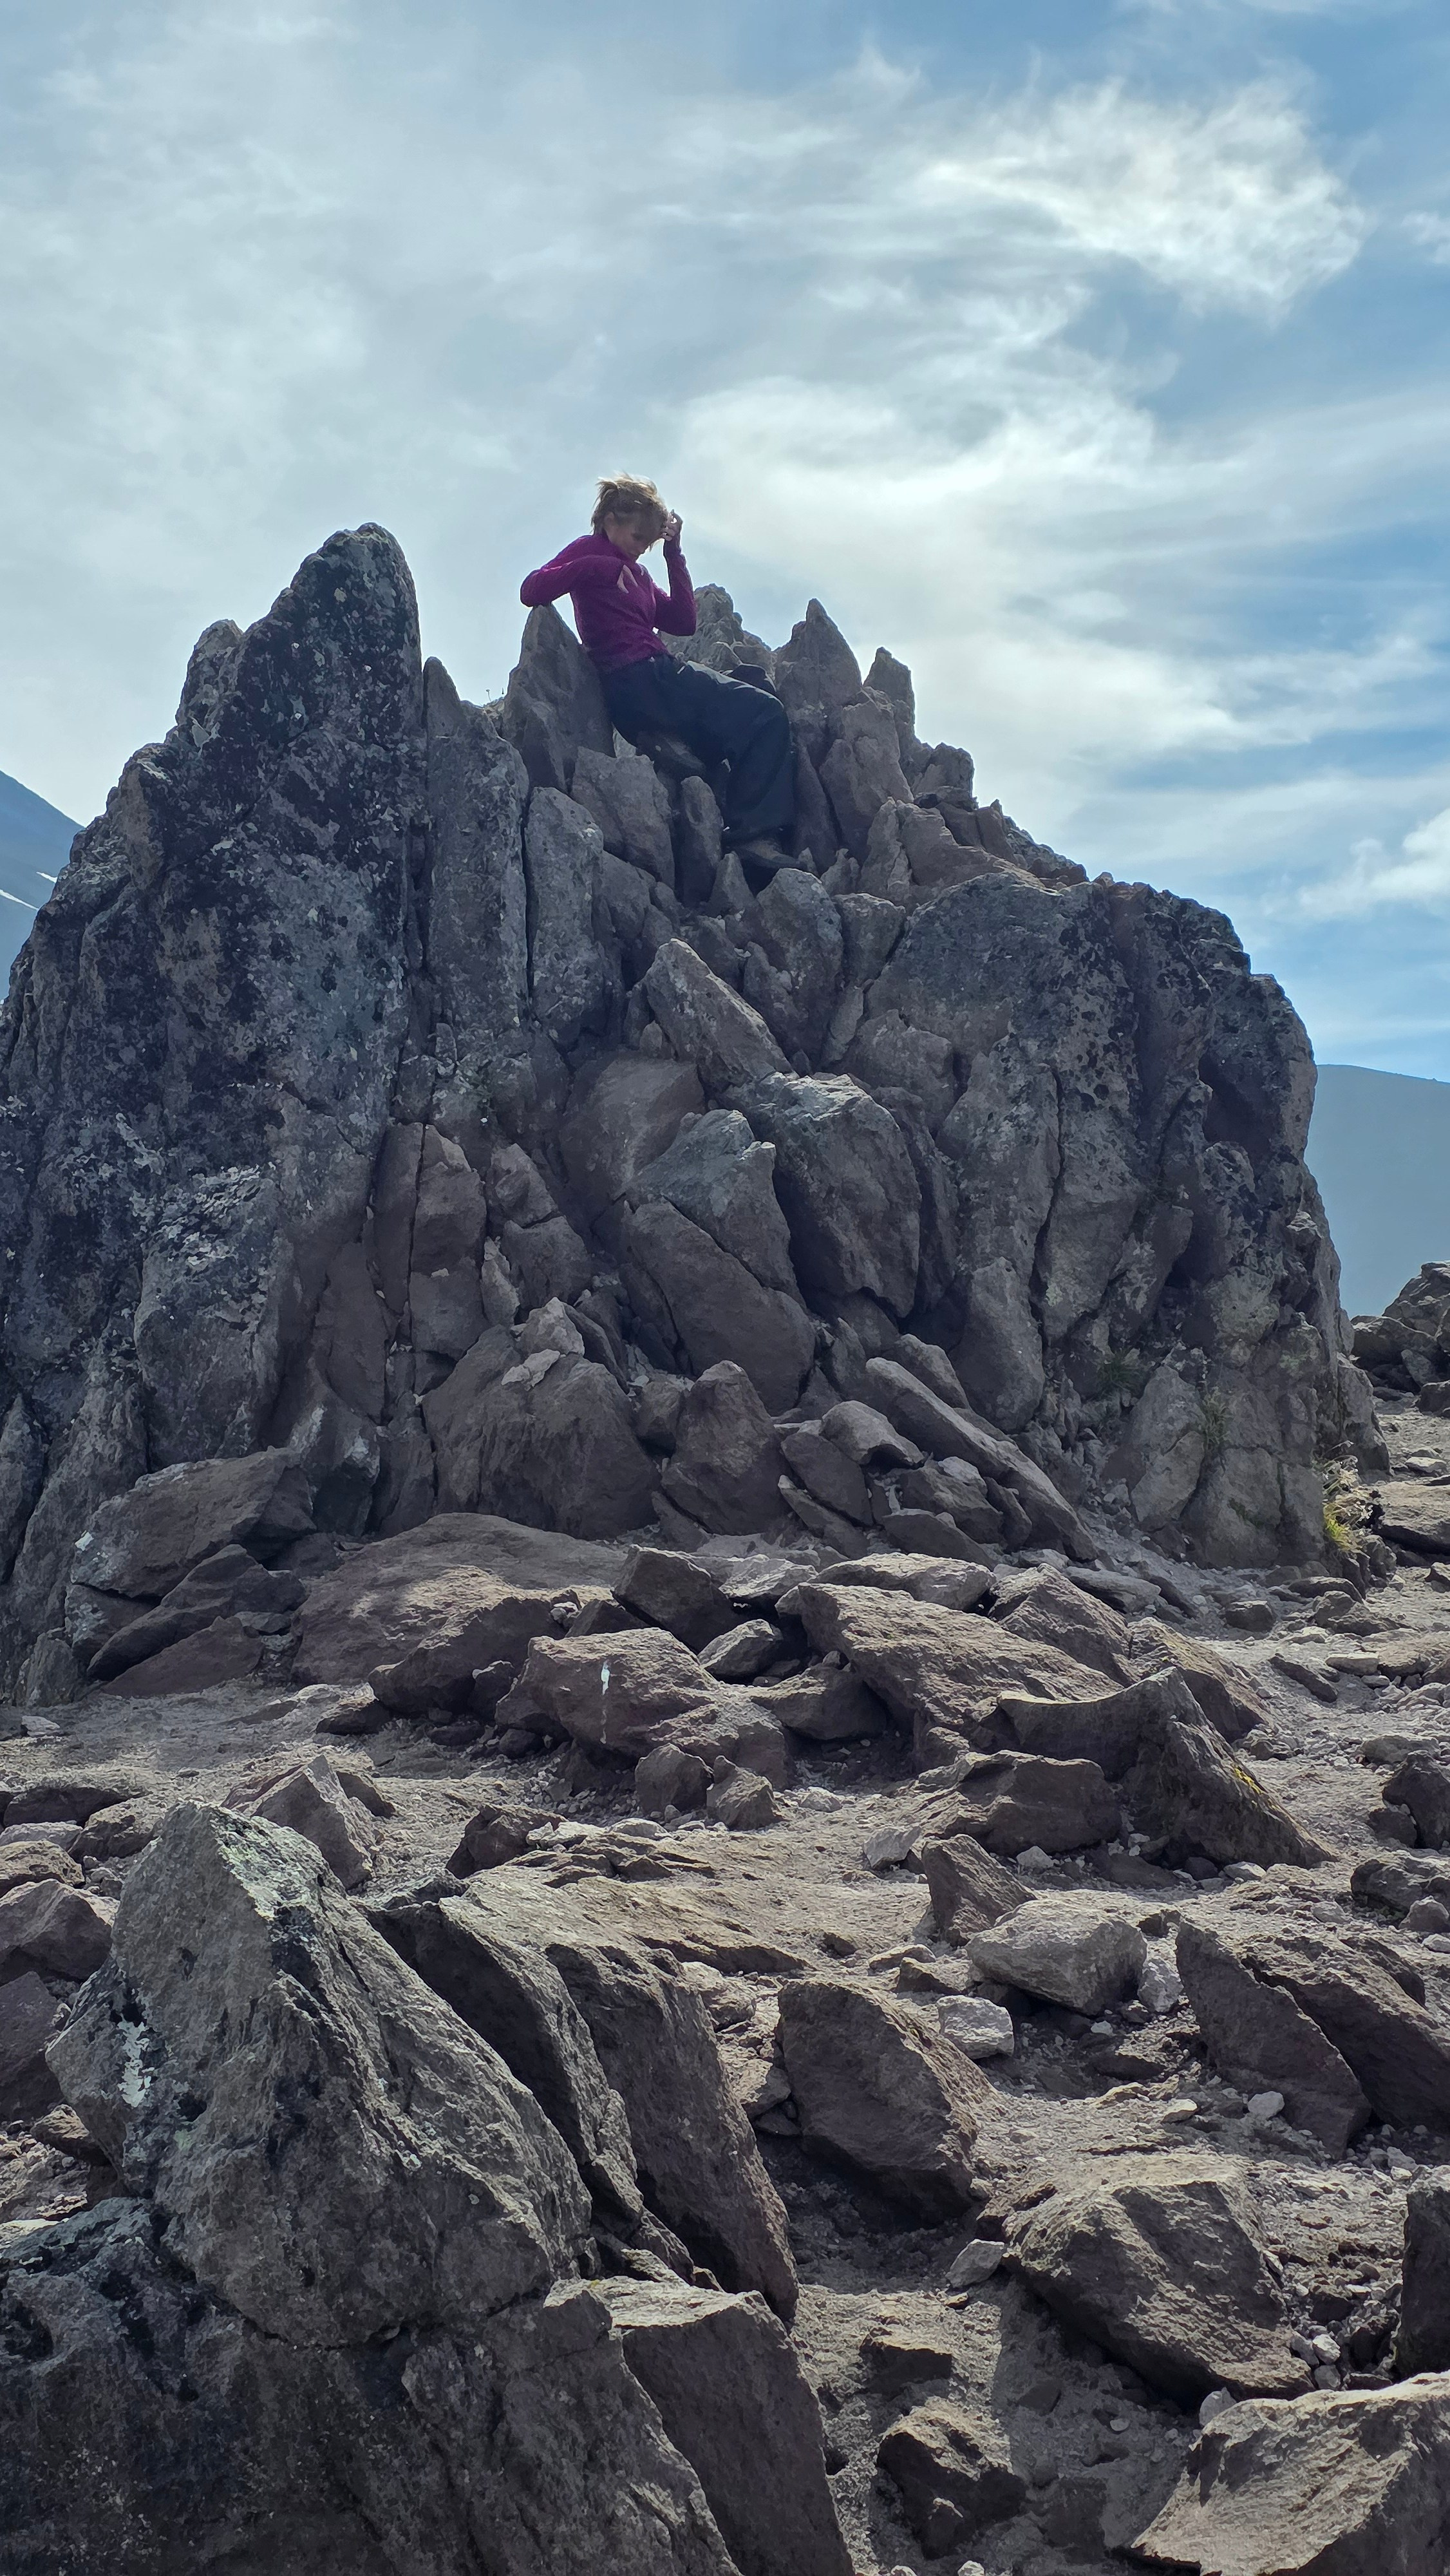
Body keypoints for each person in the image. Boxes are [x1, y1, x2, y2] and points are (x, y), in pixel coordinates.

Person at [520, 475, 796, 872]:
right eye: (637, 539)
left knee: (753, 680)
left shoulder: (639, 574)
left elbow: (684, 621)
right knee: (766, 713)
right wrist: (596, 567)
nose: (639, 551)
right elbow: (531, 590)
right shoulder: (591, 552)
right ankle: (755, 835)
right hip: (641, 677)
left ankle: (707, 777)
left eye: (648, 545)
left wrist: (673, 554)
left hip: (654, 680)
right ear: (611, 520)